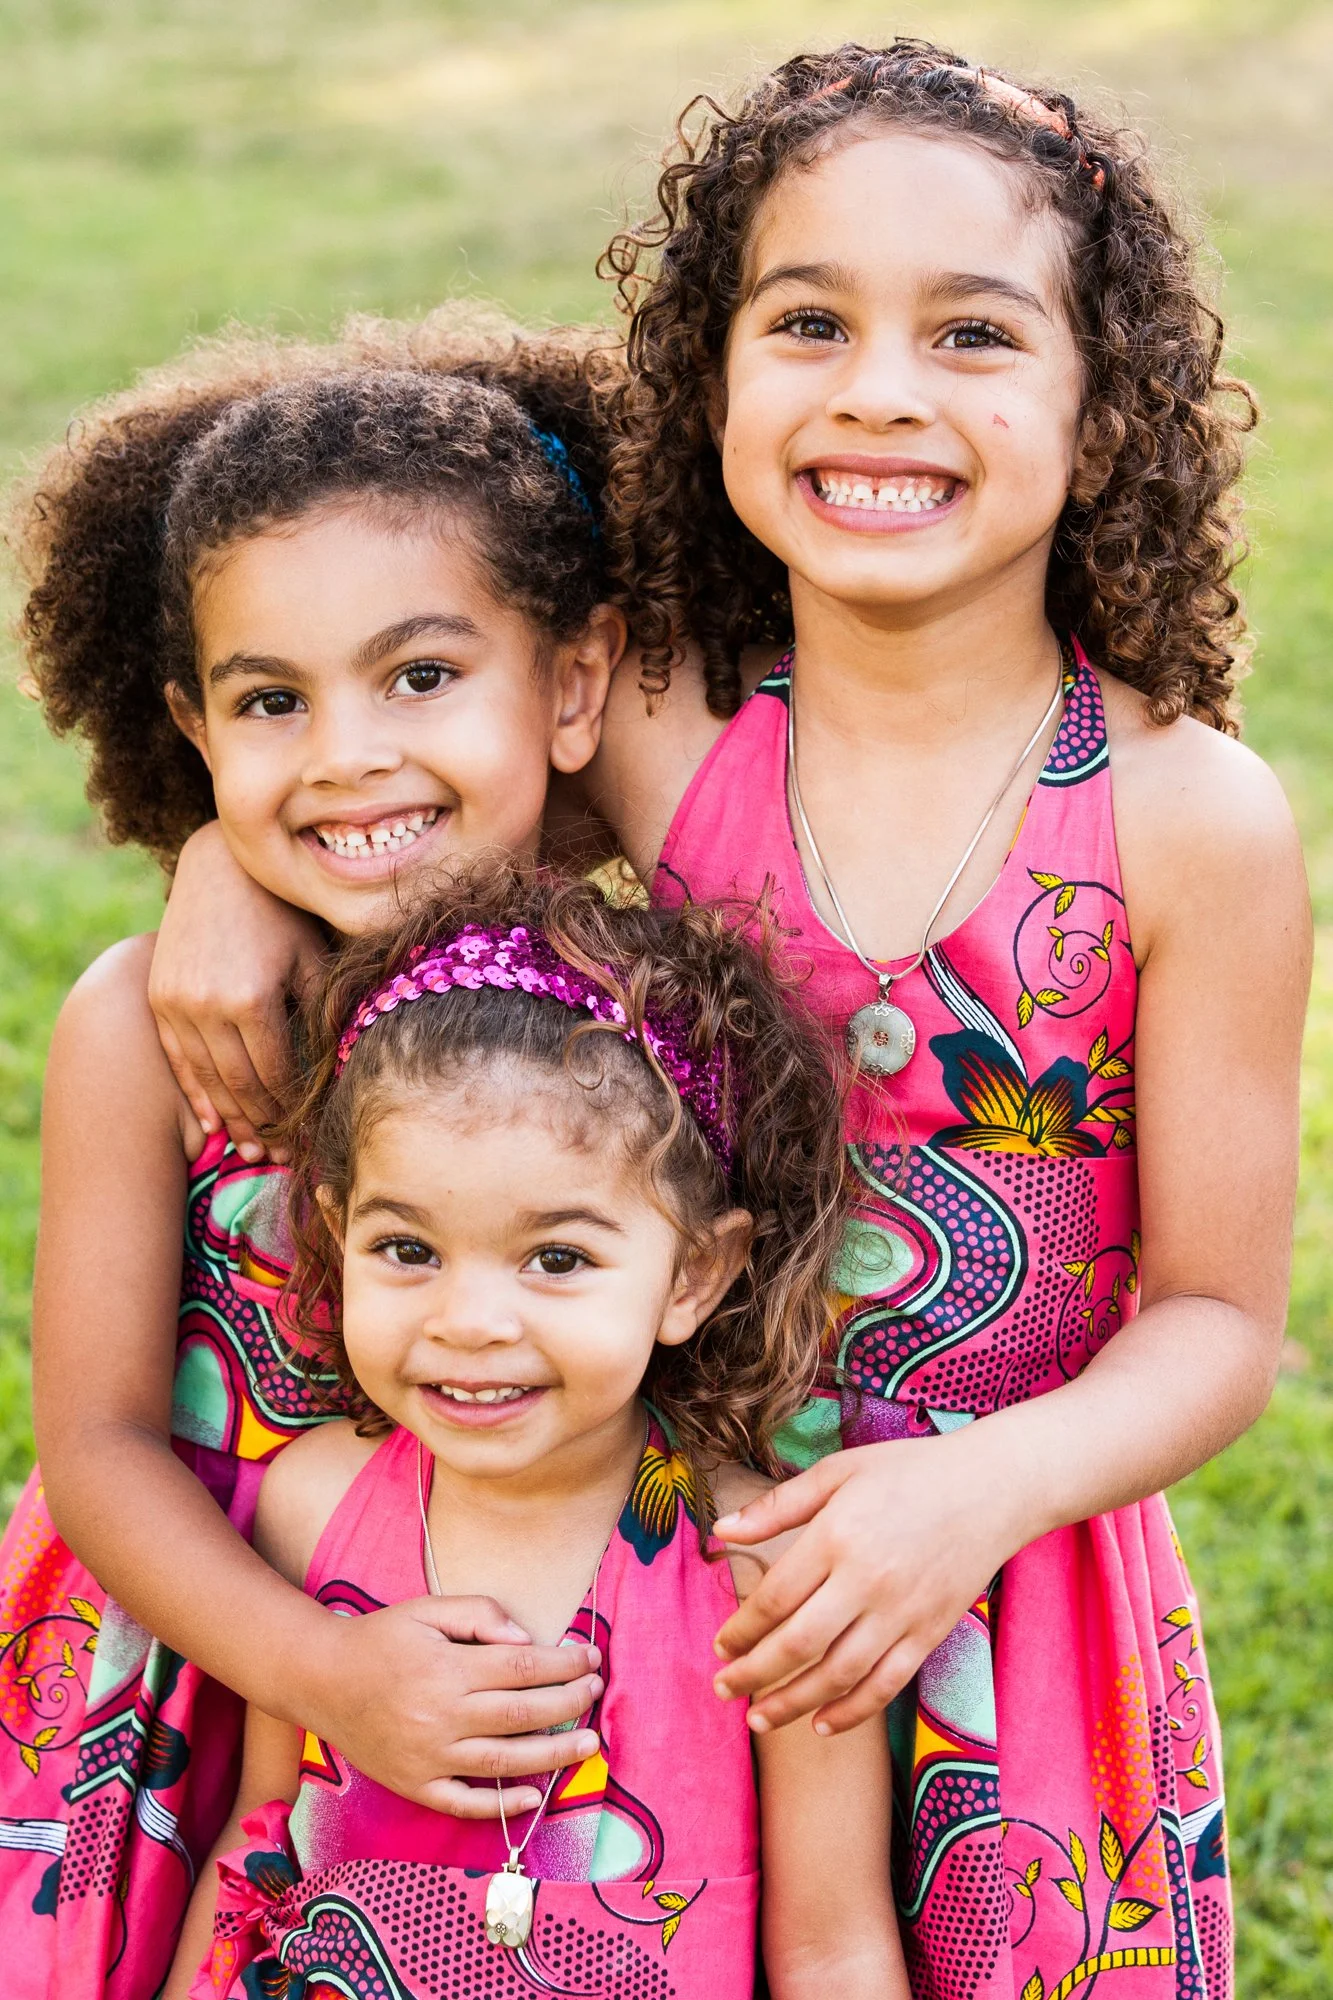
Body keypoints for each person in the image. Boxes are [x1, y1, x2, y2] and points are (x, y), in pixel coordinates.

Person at [142, 41, 1311, 2000]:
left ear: (1105, 414)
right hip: (641, 1569)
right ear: (709, 378)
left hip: (993, 1599)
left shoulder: (1188, 819)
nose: (878, 391)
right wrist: (214, 867)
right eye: (807, 321)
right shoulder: (671, 726)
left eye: (971, 335)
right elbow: (390, 782)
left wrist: (978, 1488)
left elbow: (1218, 1322)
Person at [0, 342, 626, 1995]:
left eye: (419, 675)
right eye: (273, 701)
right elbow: (96, 1443)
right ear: (197, 727)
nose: (347, 755)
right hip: (181, 1686)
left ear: (573, 685)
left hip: (526, 1702)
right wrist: (327, 1671)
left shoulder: (641, 1020)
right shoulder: (141, 1032)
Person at [162, 866, 904, 1999]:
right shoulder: (310, 1503)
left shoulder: (765, 1560)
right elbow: (258, 1847)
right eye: (407, 1248)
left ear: (693, 1274)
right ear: (335, 1229)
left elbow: (832, 1944)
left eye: (556, 1258)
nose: (468, 1323)